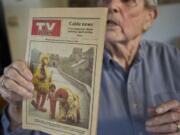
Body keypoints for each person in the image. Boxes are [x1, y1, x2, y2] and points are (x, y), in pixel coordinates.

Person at [0, 0, 180, 134]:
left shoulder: (173, 59)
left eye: (128, 0)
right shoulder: (74, 62)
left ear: (150, 17)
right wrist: (17, 112)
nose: (112, 5)